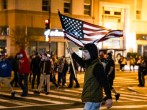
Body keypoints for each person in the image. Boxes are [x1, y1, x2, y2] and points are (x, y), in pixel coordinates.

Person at [68, 43, 112, 110]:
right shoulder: (90, 63)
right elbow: (82, 62)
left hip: (93, 100)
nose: (84, 54)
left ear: (92, 52)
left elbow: (104, 82)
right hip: (92, 100)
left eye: (86, 52)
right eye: (83, 52)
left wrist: (109, 98)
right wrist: (72, 53)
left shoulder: (97, 66)